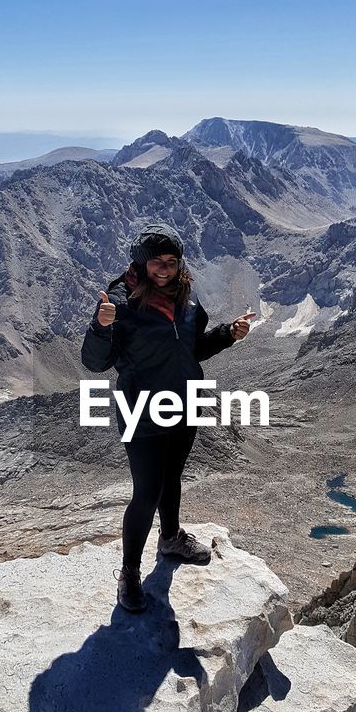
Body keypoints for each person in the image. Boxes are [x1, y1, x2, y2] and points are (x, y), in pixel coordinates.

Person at [81, 221, 256, 612]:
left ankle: (170, 537)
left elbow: (193, 350)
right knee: (147, 491)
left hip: (183, 401)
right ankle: (129, 573)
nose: (164, 268)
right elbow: (94, 362)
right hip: (141, 408)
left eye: (172, 261)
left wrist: (229, 334)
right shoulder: (120, 305)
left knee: (172, 476)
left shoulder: (188, 303)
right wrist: (100, 327)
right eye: (156, 261)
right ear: (141, 264)